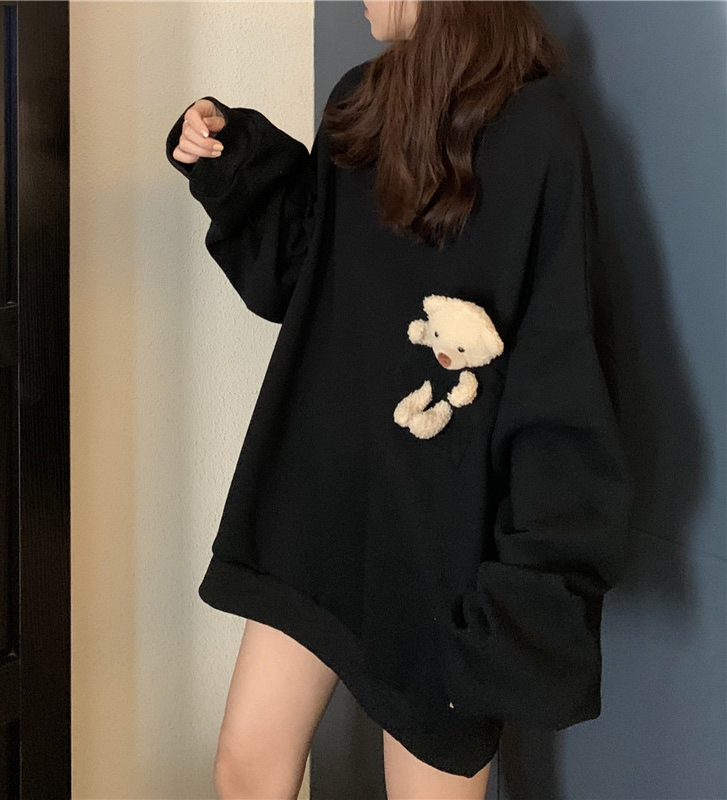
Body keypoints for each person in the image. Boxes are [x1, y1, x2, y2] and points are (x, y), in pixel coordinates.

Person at [165, 2, 634, 798]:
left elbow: (559, 368)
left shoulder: (538, 132)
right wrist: (227, 153)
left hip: (439, 542)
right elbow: (304, 272)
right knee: (245, 768)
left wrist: (531, 583)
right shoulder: (360, 101)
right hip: (319, 503)